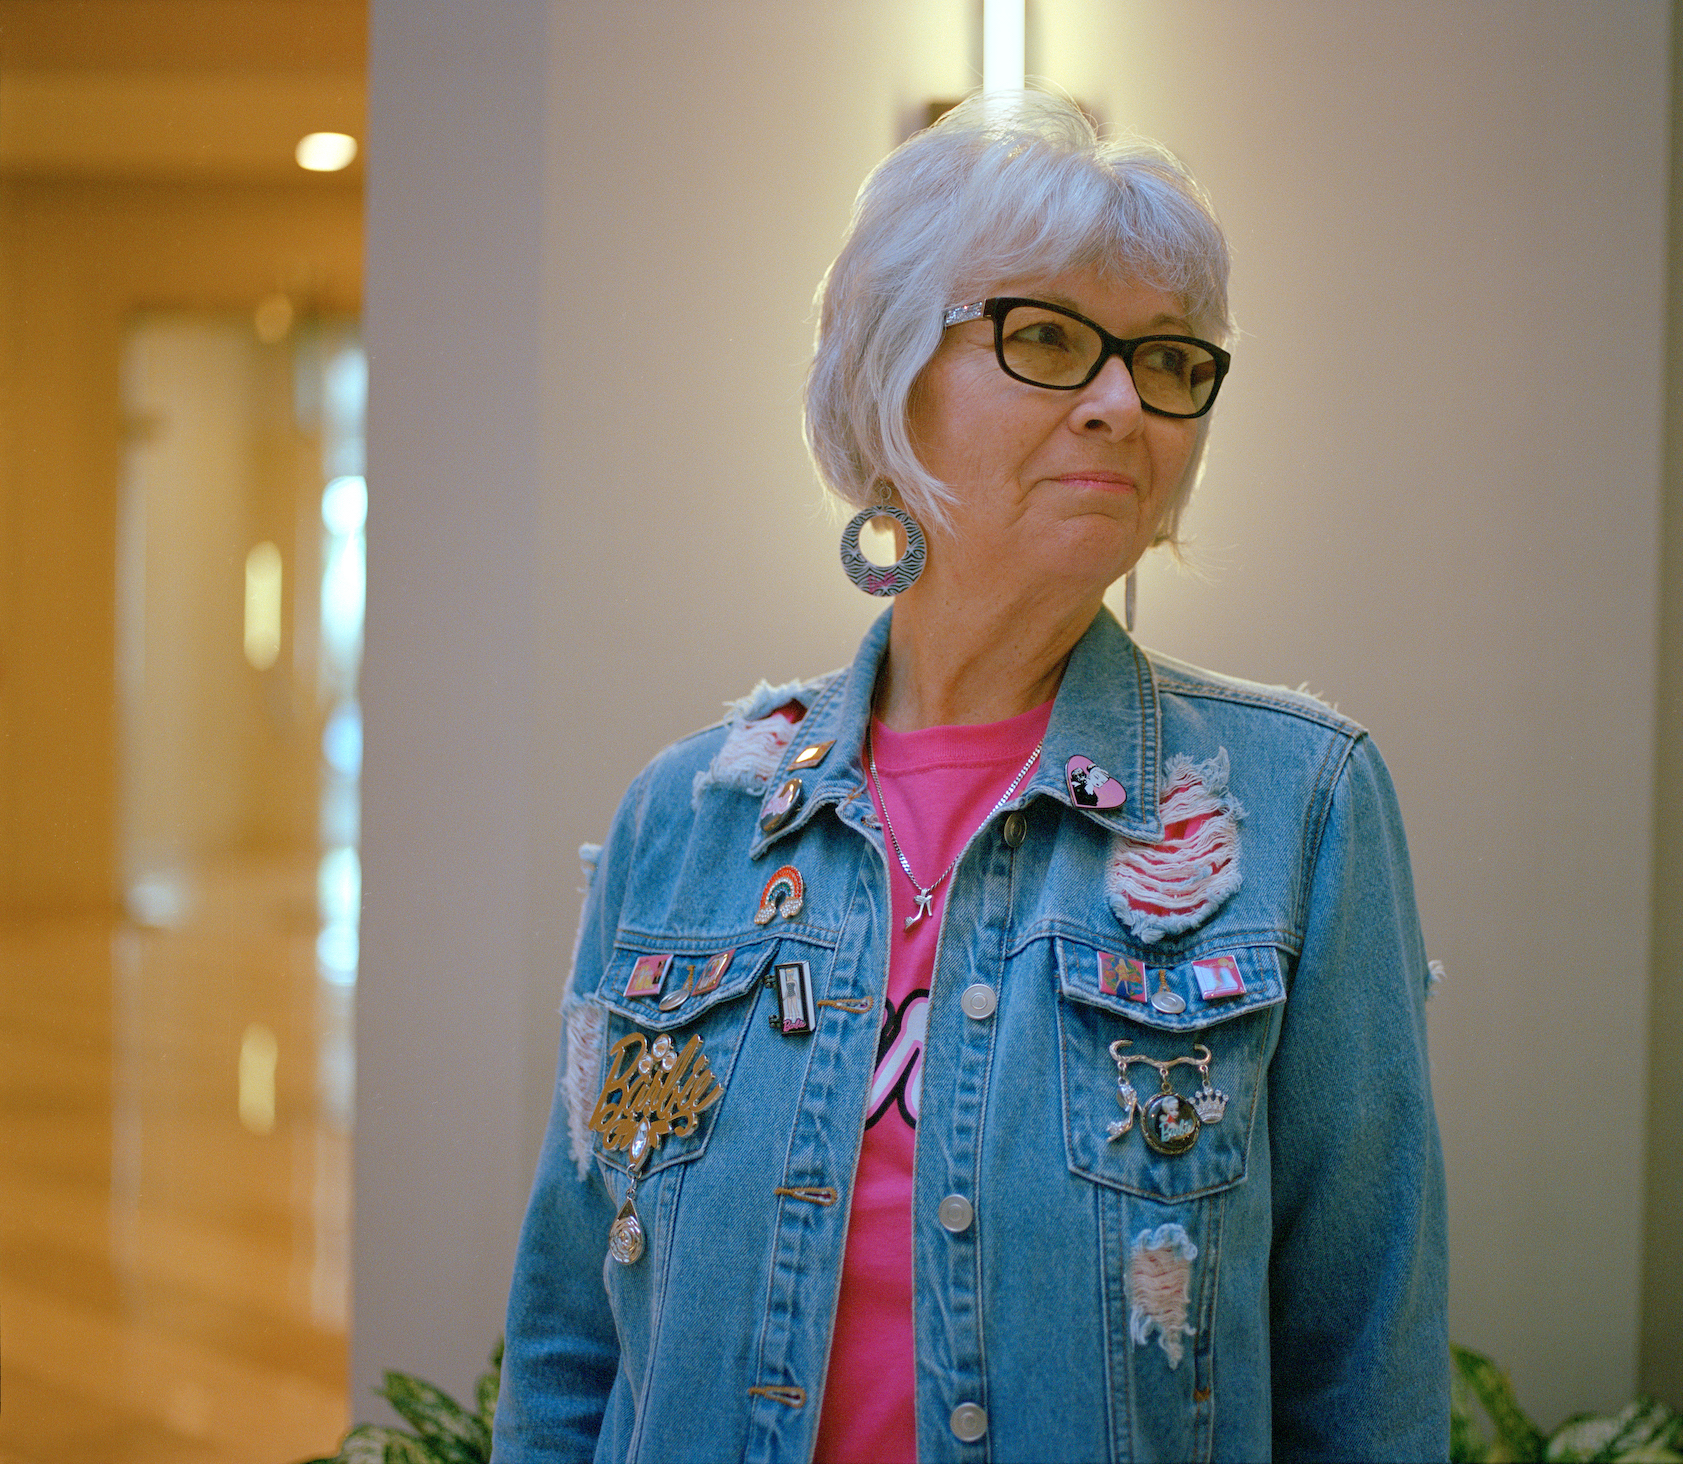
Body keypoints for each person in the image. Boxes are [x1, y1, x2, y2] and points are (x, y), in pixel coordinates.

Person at [494, 90, 1446, 1463]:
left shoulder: (1301, 808)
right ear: (887, 383)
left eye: (1171, 360)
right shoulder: (690, 819)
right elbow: (572, 1338)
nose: (1125, 405)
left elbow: (1362, 1370)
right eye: (1050, 337)